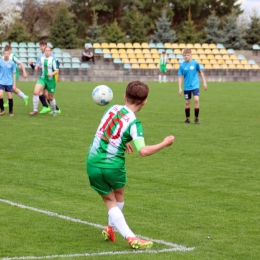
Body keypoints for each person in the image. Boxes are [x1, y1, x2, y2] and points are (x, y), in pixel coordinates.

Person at [86, 81, 175, 249]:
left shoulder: (111, 109)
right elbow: (143, 151)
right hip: (113, 166)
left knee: (109, 197)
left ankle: (110, 229)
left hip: (92, 163)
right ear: (145, 101)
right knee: (115, 198)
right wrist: (165, 143)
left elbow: (106, 132)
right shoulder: (134, 123)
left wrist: (123, 140)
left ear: (124, 97)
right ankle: (130, 237)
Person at [29, 40, 61, 114]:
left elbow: (57, 65)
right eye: (40, 46)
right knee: (37, 92)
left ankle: (54, 109)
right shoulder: (40, 57)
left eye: (43, 46)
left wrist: (52, 73)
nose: (42, 47)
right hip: (43, 77)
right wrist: (31, 65)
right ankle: (40, 108)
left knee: (48, 96)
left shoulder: (52, 56)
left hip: (50, 78)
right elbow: (36, 68)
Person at [178, 48, 207, 124]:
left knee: (196, 99)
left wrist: (204, 82)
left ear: (191, 55)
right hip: (186, 86)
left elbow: (200, 72)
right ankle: (187, 119)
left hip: (195, 85)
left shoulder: (195, 63)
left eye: (188, 55)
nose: (186, 56)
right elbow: (180, 77)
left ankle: (196, 118)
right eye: (185, 55)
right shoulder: (182, 65)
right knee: (187, 102)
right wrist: (180, 88)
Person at [0, 48, 16, 116]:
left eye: (7, 54)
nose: (6, 55)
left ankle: (11, 111)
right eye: (5, 54)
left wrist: (14, 84)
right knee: (0, 95)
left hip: (9, 82)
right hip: (1, 81)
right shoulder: (0, 62)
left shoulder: (12, 63)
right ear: (3, 54)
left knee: (9, 96)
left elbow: (14, 73)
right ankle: (2, 110)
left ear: (9, 54)